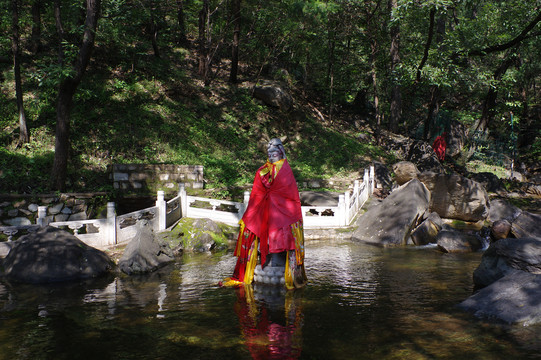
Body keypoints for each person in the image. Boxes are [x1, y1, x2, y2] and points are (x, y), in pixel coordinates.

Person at [221, 138, 307, 289]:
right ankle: (260, 263)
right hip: (264, 210)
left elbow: (288, 193)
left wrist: (275, 198)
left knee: (283, 235)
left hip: (282, 213)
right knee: (258, 232)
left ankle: (285, 266)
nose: (272, 154)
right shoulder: (262, 171)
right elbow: (257, 194)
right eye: (269, 152)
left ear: (281, 152)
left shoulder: (285, 170)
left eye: (274, 151)